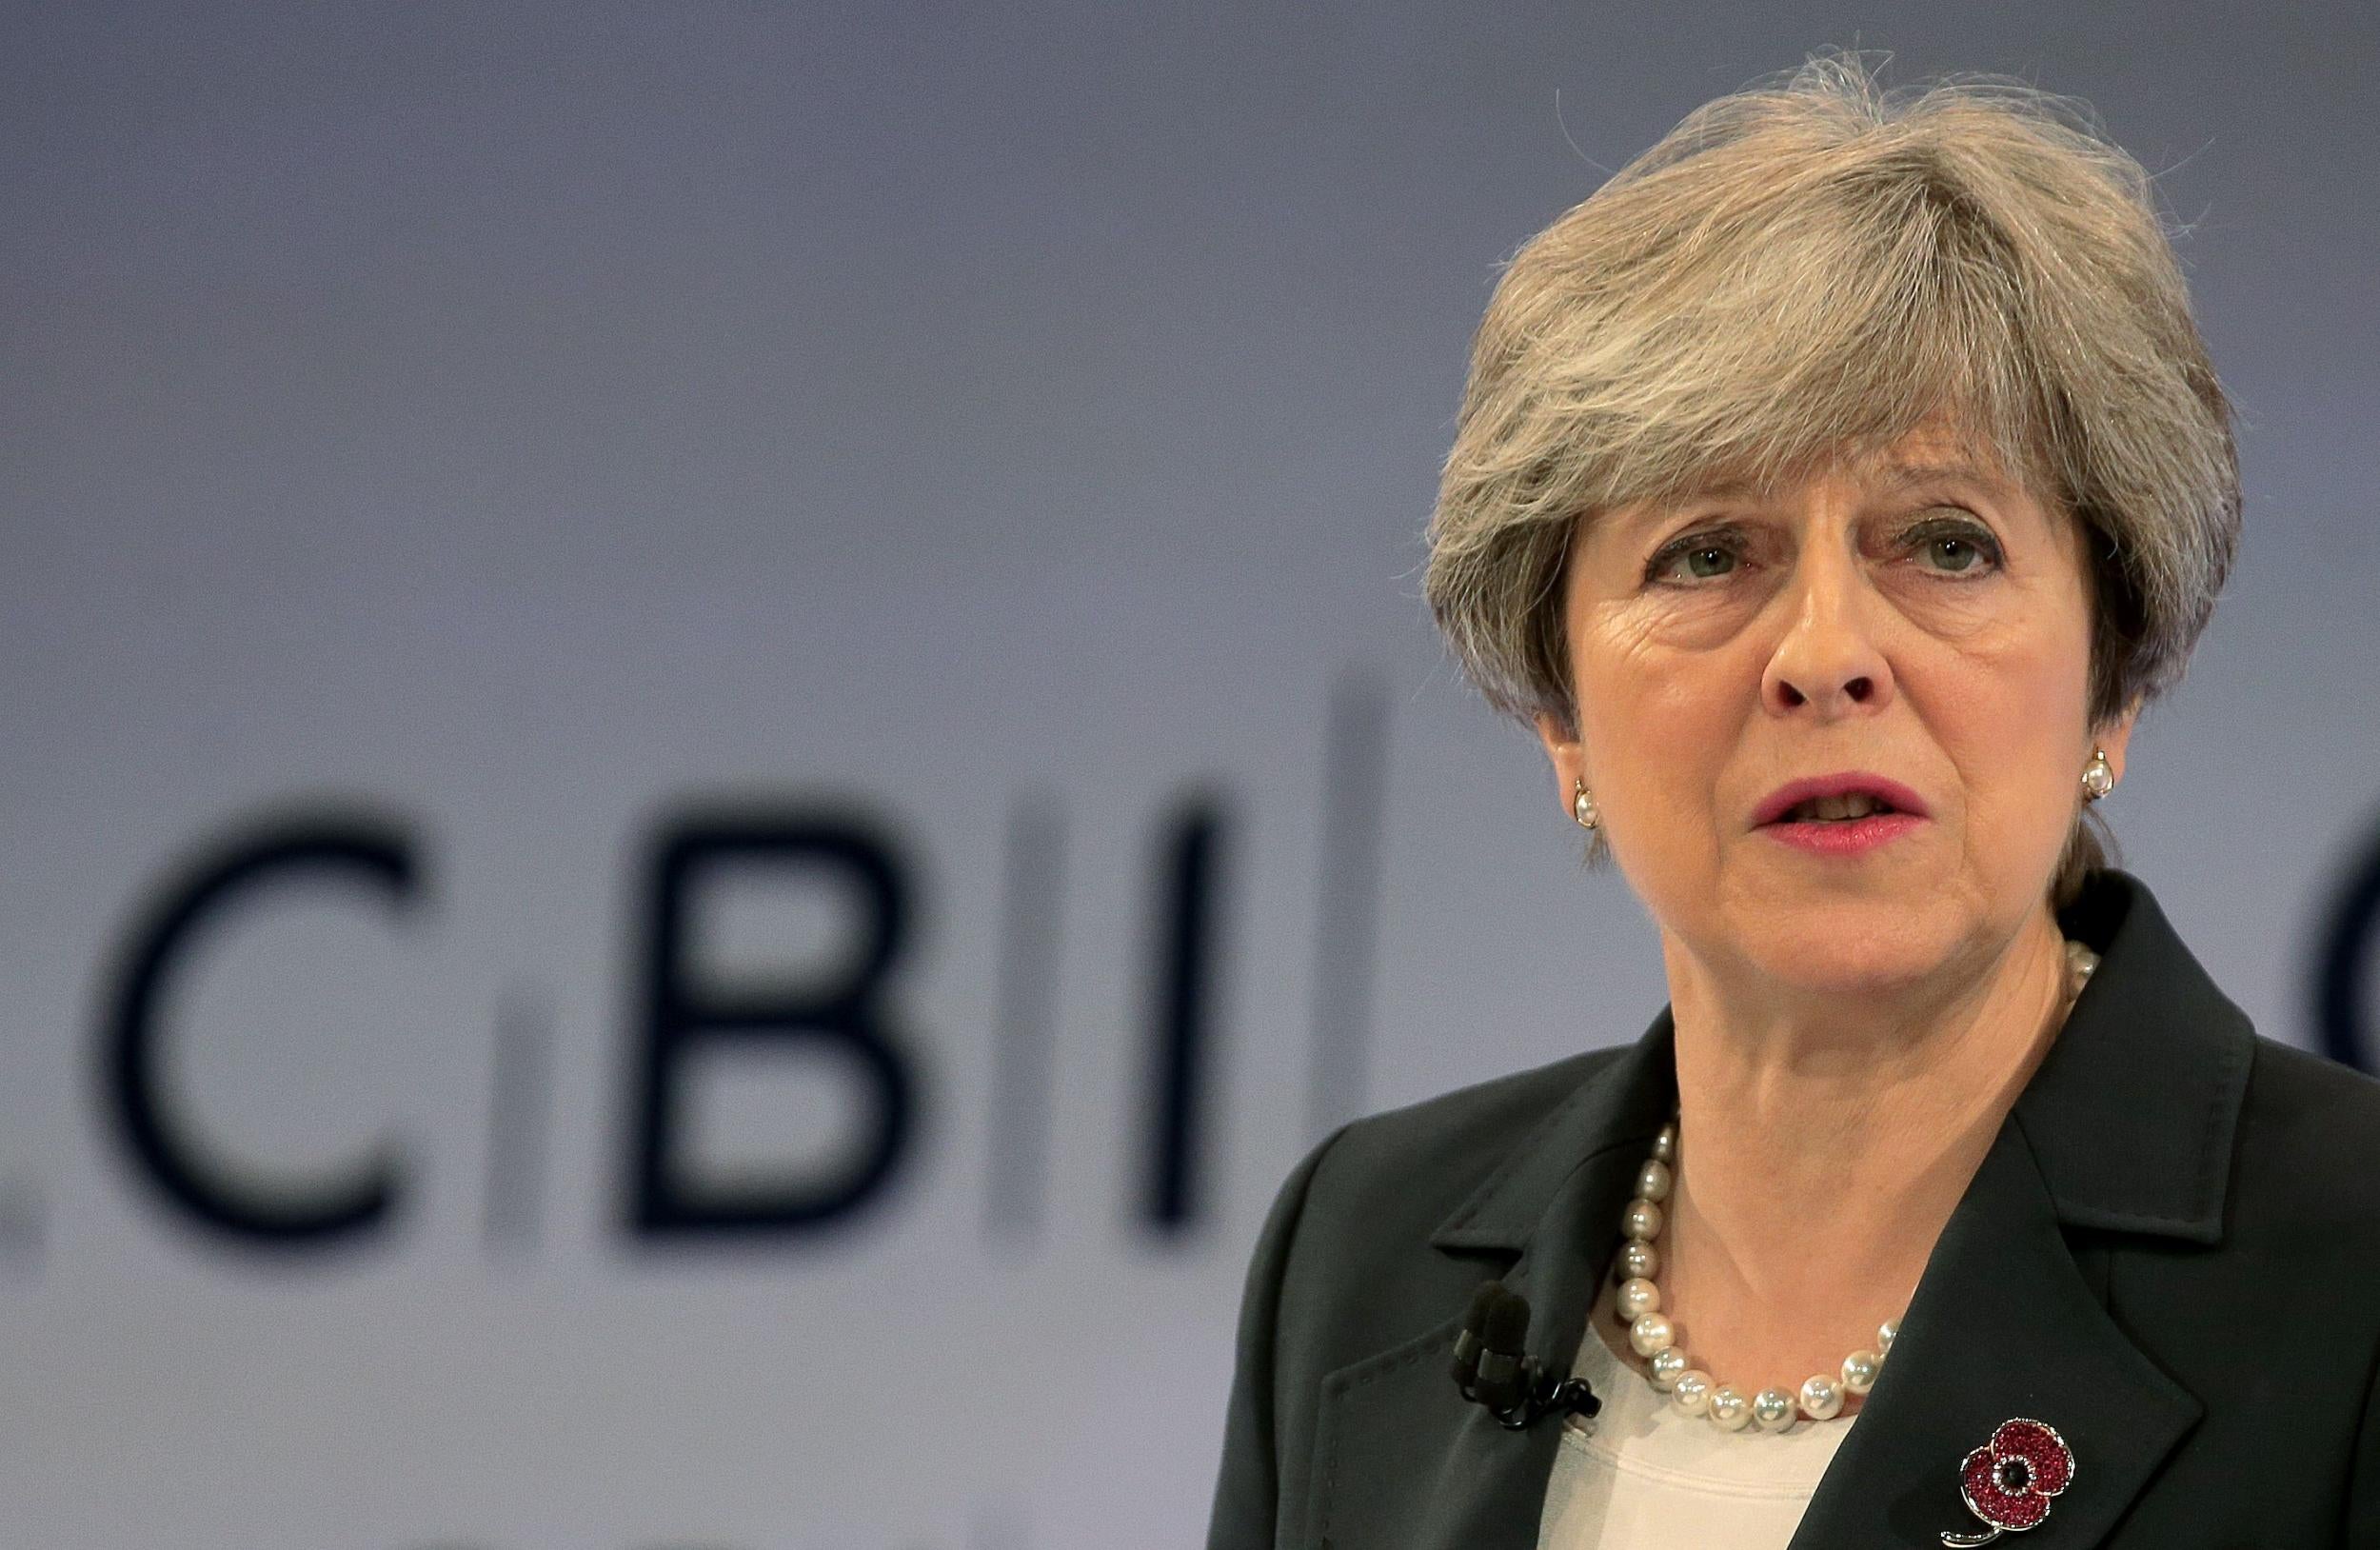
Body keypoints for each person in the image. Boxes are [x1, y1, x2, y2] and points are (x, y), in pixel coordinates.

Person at [1203, 54, 2380, 1550]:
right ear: (1558, 710)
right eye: (1708, 554)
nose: (1826, 657)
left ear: (2114, 680)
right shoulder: (1360, 1255)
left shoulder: (2348, 1270)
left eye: (1946, 547)